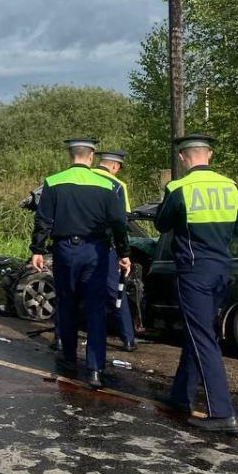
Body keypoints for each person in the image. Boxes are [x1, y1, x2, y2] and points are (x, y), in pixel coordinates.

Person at [155, 134, 238, 433]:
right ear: (210, 155)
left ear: (183, 158)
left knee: (203, 338)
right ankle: (181, 395)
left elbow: (162, 224)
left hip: (194, 271)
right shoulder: (232, 187)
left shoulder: (179, 188)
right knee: (199, 332)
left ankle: (222, 412)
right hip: (222, 268)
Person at [30, 138, 130, 389]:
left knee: (67, 301)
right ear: (92, 156)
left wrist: (37, 250)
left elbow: (43, 220)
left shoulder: (53, 182)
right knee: (96, 309)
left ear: (70, 155)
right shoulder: (107, 184)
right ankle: (95, 369)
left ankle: (69, 357)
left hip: (65, 250)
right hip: (96, 251)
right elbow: (118, 223)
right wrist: (123, 252)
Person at [93, 150, 138, 351]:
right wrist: (124, 254)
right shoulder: (118, 186)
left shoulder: (84, 178)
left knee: (73, 290)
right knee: (115, 291)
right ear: (115, 166)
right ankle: (128, 338)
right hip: (106, 247)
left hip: (77, 246)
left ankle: (60, 337)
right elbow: (122, 222)